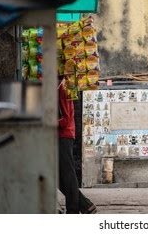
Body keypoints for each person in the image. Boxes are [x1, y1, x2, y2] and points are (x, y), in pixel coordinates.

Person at [58, 77, 96, 214]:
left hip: (63, 135)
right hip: (61, 135)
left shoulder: (63, 88)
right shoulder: (61, 87)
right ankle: (85, 205)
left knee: (67, 173)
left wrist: (47, 121)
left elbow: (66, 119)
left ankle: (73, 209)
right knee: (59, 176)